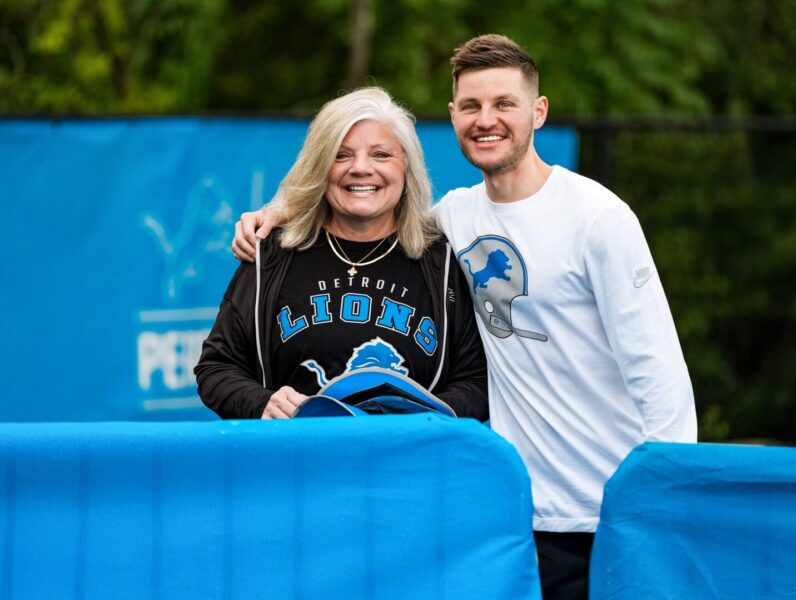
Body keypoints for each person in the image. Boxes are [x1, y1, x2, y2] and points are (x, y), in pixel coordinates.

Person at [230, 35, 697, 599]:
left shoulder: (598, 218)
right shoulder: (454, 218)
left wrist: (669, 495)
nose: (487, 120)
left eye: (505, 104)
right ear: (452, 116)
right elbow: (366, 200)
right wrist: (277, 212)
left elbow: (659, 372)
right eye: (472, 106)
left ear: (538, 112)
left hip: (607, 510)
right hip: (510, 508)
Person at [196, 87, 488, 422]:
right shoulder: (273, 253)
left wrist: (423, 422)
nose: (361, 168)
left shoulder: (443, 261)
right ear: (320, 167)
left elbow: (477, 381)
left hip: (403, 466)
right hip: (298, 464)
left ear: (406, 167)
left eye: (381, 155)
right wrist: (261, 402)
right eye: (341, 155)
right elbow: (216, 368)